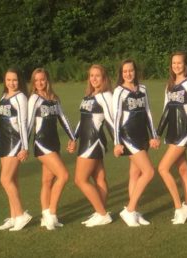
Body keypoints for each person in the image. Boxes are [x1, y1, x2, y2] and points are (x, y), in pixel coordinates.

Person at [157, 51, 187, 224]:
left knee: (163, 168)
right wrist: (158, 133)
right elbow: (165, 111)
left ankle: (179, 208)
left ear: (185, 65)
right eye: (174, 63)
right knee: (183, 170)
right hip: (173, 132)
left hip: (185, 131)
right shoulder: (169, 85)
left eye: (180, 63)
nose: (176, 66)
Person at [27, 68, 75, 230]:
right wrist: (24, 146)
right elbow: (27, 123)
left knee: (47, 181)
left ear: (47, 80)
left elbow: (63, 118)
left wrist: (73, 137)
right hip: (41, 143)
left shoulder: (54, 98)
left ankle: (44, 216)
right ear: (33, 83)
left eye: (43, 79)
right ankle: (51, 214)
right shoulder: (34, 98)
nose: (40, 83)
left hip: (54, 143)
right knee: (63, 175)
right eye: (37, 80)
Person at [113, 59, 158, 227]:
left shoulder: (143, 89)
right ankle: (129, 210)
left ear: (135, 71)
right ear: (121, 74)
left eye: (131, 70)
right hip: (128, 135)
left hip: (142, 135)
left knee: (135, 174)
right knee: (149, 172)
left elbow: (148, 113)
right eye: (125, 71)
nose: (128, 74)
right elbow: (116, 117)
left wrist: (153, 135)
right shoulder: (119, 91)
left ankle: (134, 211)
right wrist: (117, 142)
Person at [73, 64, 114, 227]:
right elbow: (82, 120)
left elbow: (112, 120)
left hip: (94, 141)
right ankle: (100, 212)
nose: (94, 79)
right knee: (99, 178)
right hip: (85, 140)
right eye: (91, 76)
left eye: (98, 76)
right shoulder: (88, 95)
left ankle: (102, 214)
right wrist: (73, 137)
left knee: (80, 179)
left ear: (104, 78)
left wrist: (117, 142)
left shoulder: (106, 96)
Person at [0, 68, 32, 231]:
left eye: (15, 80)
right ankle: (14, 216)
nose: (11, 83)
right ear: (5, 81)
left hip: (14, 141)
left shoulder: (21, 98)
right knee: (12, 180)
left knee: (5, 179)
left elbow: (23, 124)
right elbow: (1, 122)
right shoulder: (4, 96)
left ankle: (21, 215)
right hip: (3, 141)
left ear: (20, 81)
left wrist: (24, 147)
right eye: (9, 80)